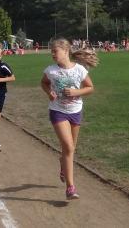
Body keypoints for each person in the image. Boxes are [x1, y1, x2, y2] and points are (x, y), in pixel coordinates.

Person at [40, 38, 98, 200]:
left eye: (55, 51)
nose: (52, 54)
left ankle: (62, 164)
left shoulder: (79, 70)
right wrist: (48, 92)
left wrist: (76, 93)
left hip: (75, 111)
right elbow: (44, 83)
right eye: (51, 51)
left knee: (69, 150)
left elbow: (90, 87)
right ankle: (70, 188)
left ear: (66, 51)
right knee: (69, 147)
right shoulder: (50, 70)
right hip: (58, 111)